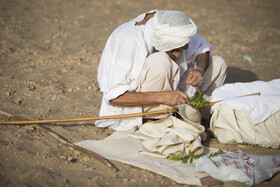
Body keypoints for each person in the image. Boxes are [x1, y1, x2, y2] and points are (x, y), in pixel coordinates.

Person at [96, 10, 227, 132]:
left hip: (170, 93)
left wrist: (199, 69)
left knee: (218, 64)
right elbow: (114, 98)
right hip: (133, 107)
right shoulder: (129, 41)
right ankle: (154, 119)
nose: (177, 55)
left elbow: (202, 48)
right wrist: (163, 97)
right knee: (161, 61)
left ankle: (189, 115)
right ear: (162, 41)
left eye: (182, 49)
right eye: (174, 49)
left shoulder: (170, 27)